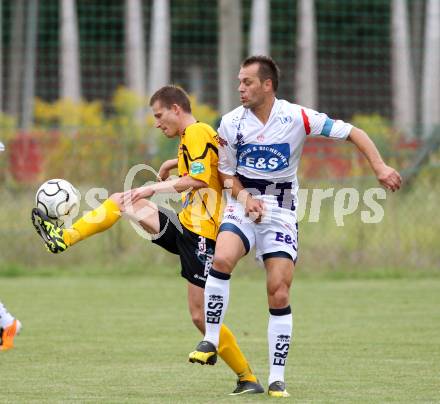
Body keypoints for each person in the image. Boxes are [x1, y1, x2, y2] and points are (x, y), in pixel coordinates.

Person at [188, 55, 402, 398]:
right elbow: (225, 175)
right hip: (243, 206)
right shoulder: (230, 123)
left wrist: (379, 167)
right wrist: (245, 200)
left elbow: (353, 132)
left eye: (247, 82)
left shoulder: (297, 117)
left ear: (267, 85)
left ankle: (276, 377)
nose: (240, 88)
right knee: (222, 259)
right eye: (239, 82)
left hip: (282, 211)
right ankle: (211, 338)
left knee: (279, 290)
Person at [31, 85, 264, 395]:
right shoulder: (192, 135)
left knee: (199, 315)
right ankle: (64, 238)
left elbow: (197, 178)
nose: (156, 122)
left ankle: (247, 377)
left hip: (202, 237)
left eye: (159, 115)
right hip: (186, 228)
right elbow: (204, 168)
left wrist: (152, 189)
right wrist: (171, 164)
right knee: (122, 200)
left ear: (176, 109)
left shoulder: (196, 132)